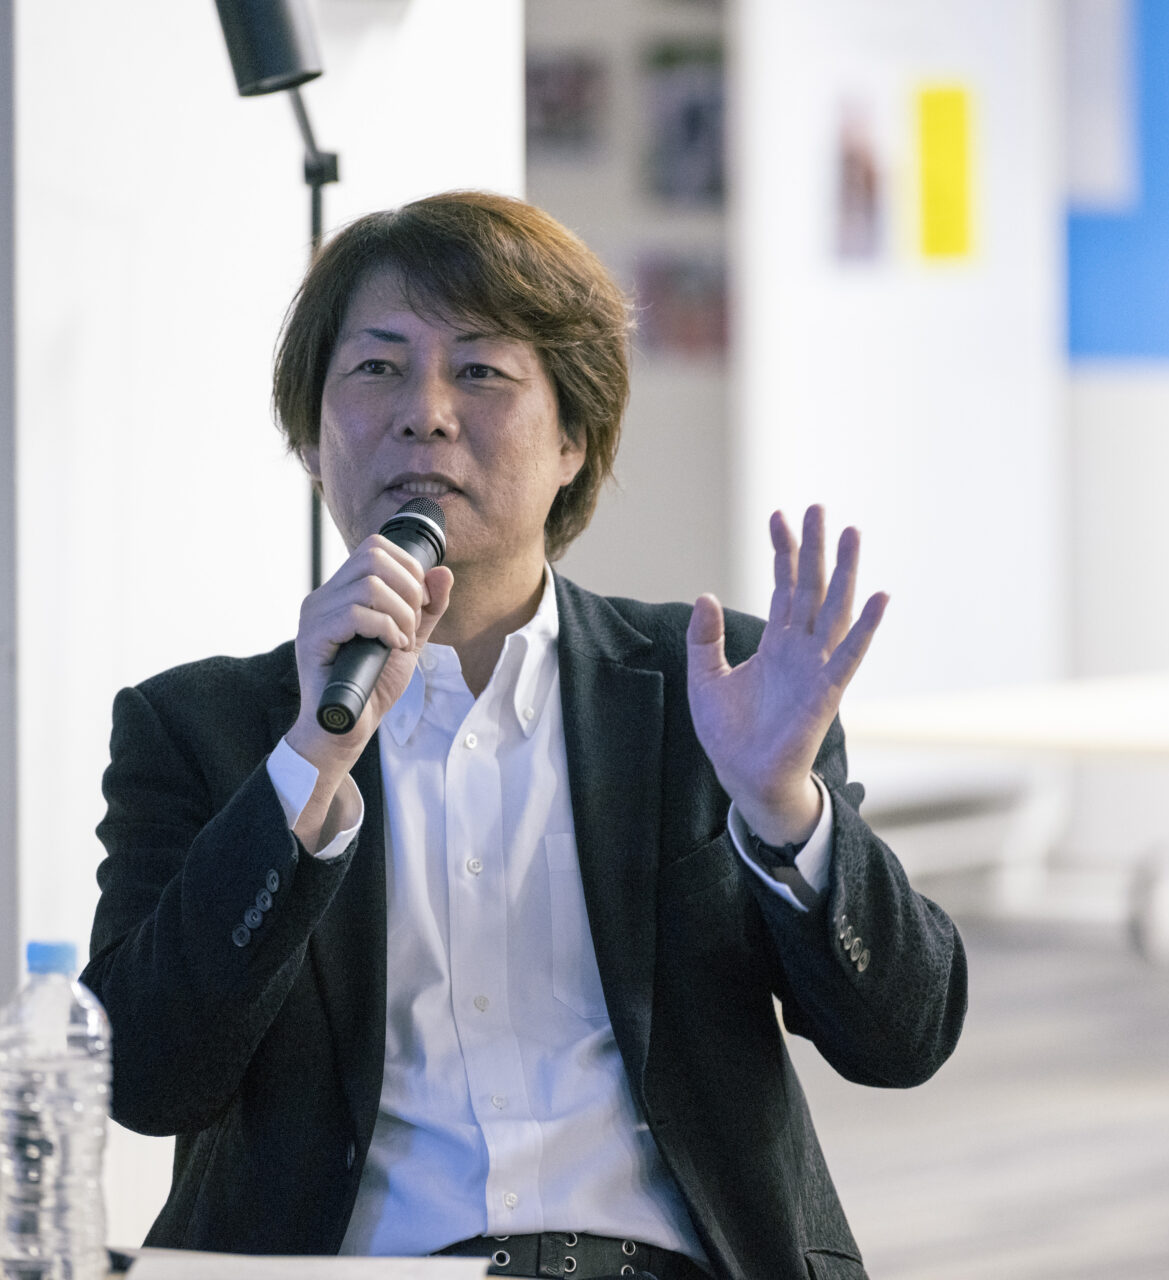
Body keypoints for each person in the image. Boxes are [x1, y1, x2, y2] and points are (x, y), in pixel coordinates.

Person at [83, 191, 967, 1280]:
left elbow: (903, 1039)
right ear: (312, 441)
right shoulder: (198, 730)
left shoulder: (713, 687)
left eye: (481, 371)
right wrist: (308, 763)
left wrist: (786, 807)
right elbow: (146, 1079)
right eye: (377, 368)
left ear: (573, 440)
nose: (425, 413)